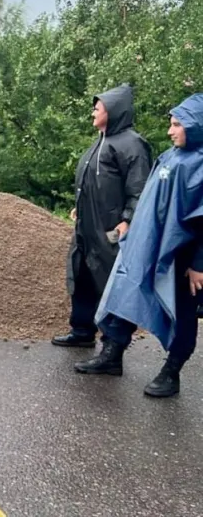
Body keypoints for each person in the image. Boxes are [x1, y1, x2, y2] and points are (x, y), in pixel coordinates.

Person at [75, 93, 203, 398]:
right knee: (127, 295)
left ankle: (172, 371)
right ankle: (112, 355)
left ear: (197, 126)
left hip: (182, 257)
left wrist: (199, 264)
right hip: (148, 246)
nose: (170, 131)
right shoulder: (172, 156)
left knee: (182, 313)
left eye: (177, 125)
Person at [53, 84, 152, 348]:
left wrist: (128, 219)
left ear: (113, 110)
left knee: (111, 285)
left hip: (111, 230)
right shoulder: (101, 141)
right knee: (83, 276)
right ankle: (82, 331)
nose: (93, 112)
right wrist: (80, 206)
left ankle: (112, 348)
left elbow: (139, 187)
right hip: (88, 227)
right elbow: (93, 183)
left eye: (97, 108)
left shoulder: (132, 144)